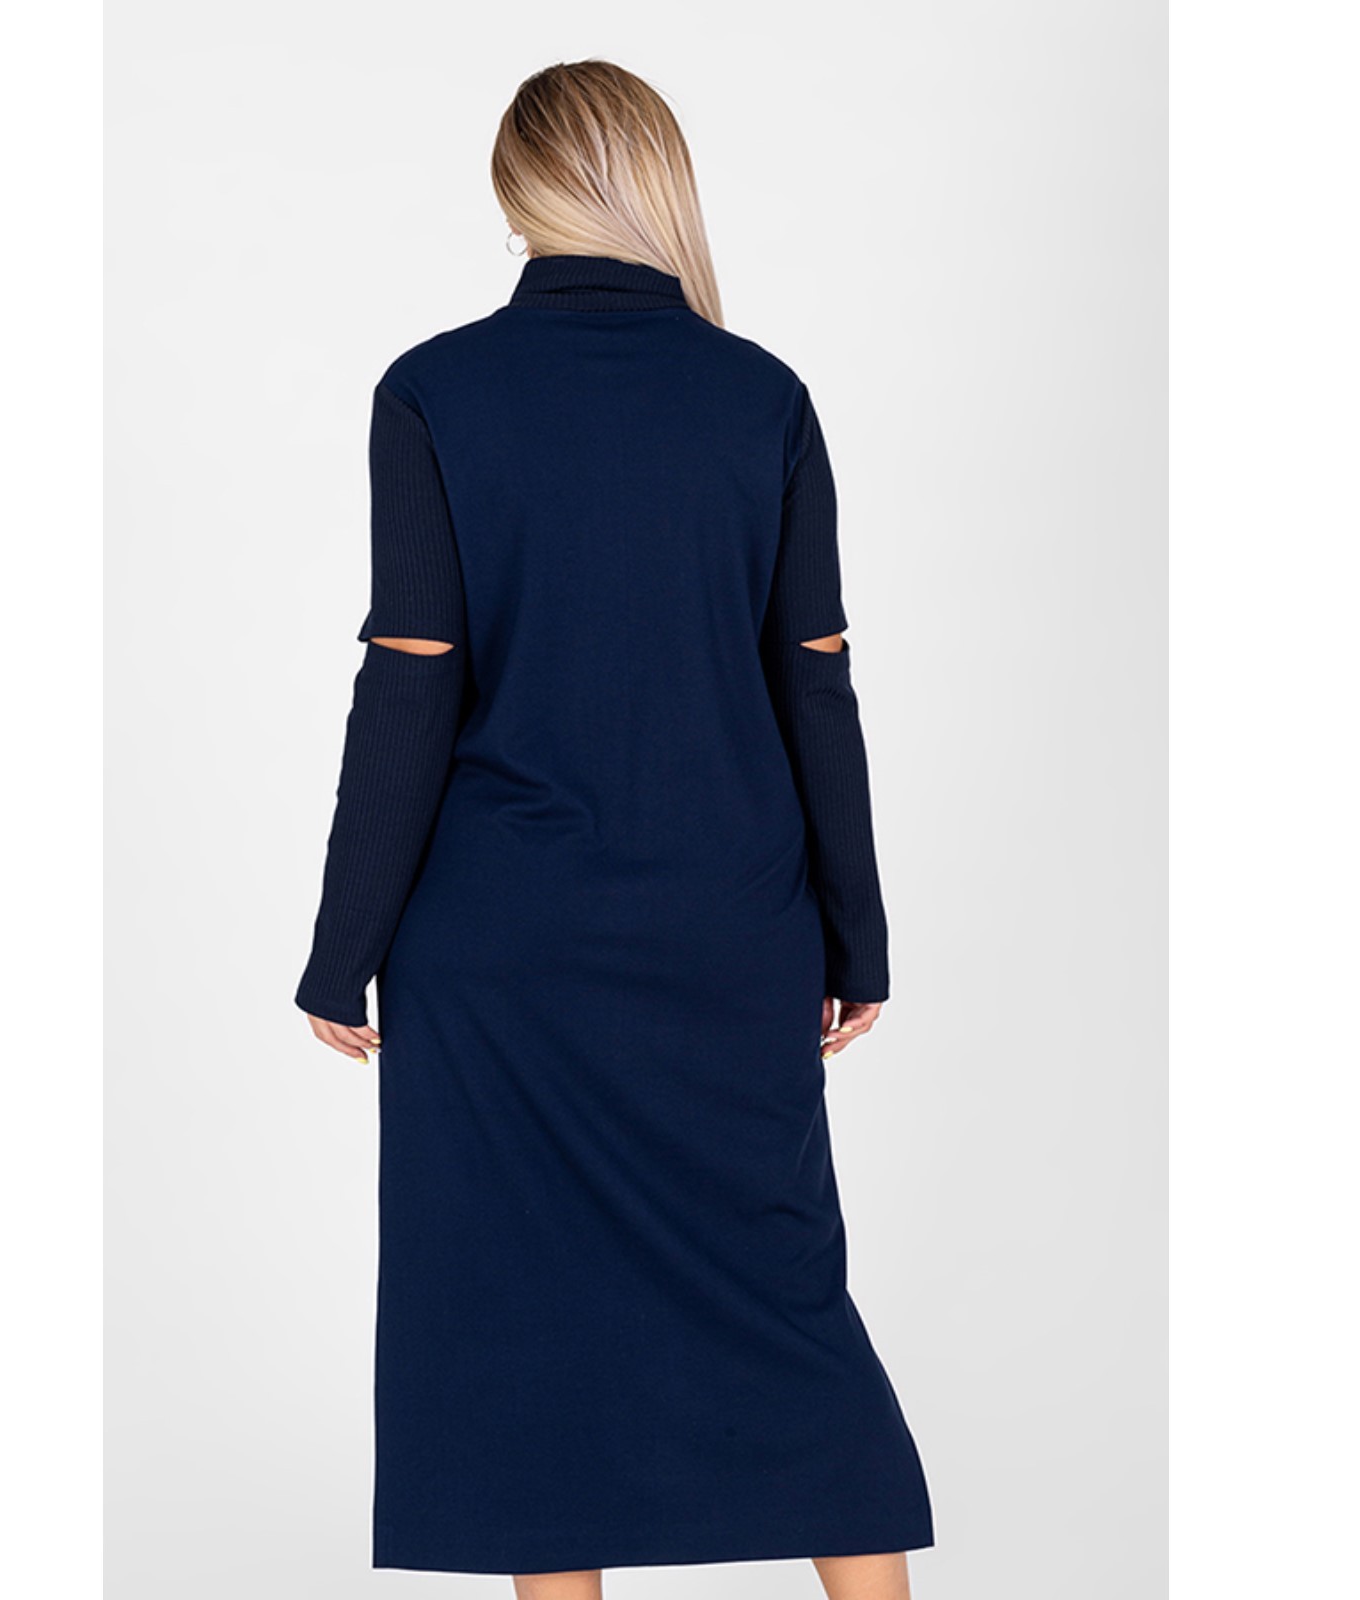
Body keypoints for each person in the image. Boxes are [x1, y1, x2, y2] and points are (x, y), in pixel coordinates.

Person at [296, 58, 934, 1600]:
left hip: (502, 958)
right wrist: (856, 939)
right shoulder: (762, 397)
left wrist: (341, 951)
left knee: (528, 1340)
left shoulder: (435, 392)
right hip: (730, 937)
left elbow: (409, 689)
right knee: (788, 1317)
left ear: (515, 190)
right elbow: (816, 688)